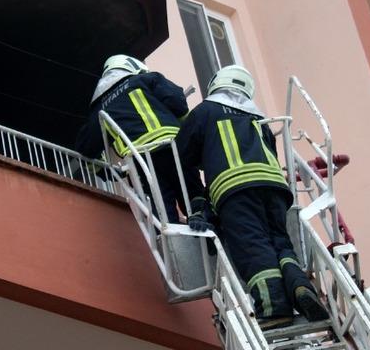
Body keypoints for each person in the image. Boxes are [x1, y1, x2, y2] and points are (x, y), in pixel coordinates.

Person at [175, 65, 329, 328]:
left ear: (216, 84)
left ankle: (273, 308)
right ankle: (300, 287)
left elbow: (181, 155)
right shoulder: (259, 119)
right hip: (275, 188)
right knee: (280, 243)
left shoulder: (205, 111)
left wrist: (199, 202)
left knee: (253, 245)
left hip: (236, 189)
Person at [75, 54, 202, 223]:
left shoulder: (100, 107)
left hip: (141, 160)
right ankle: (206, 224)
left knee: (162, 211)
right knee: (194, 196)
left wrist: (109, 173)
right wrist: (189, 137)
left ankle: (174, 237)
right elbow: (177, 101)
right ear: (131, 67)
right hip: (172, 148)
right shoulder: (145, 79)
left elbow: (85, 149)